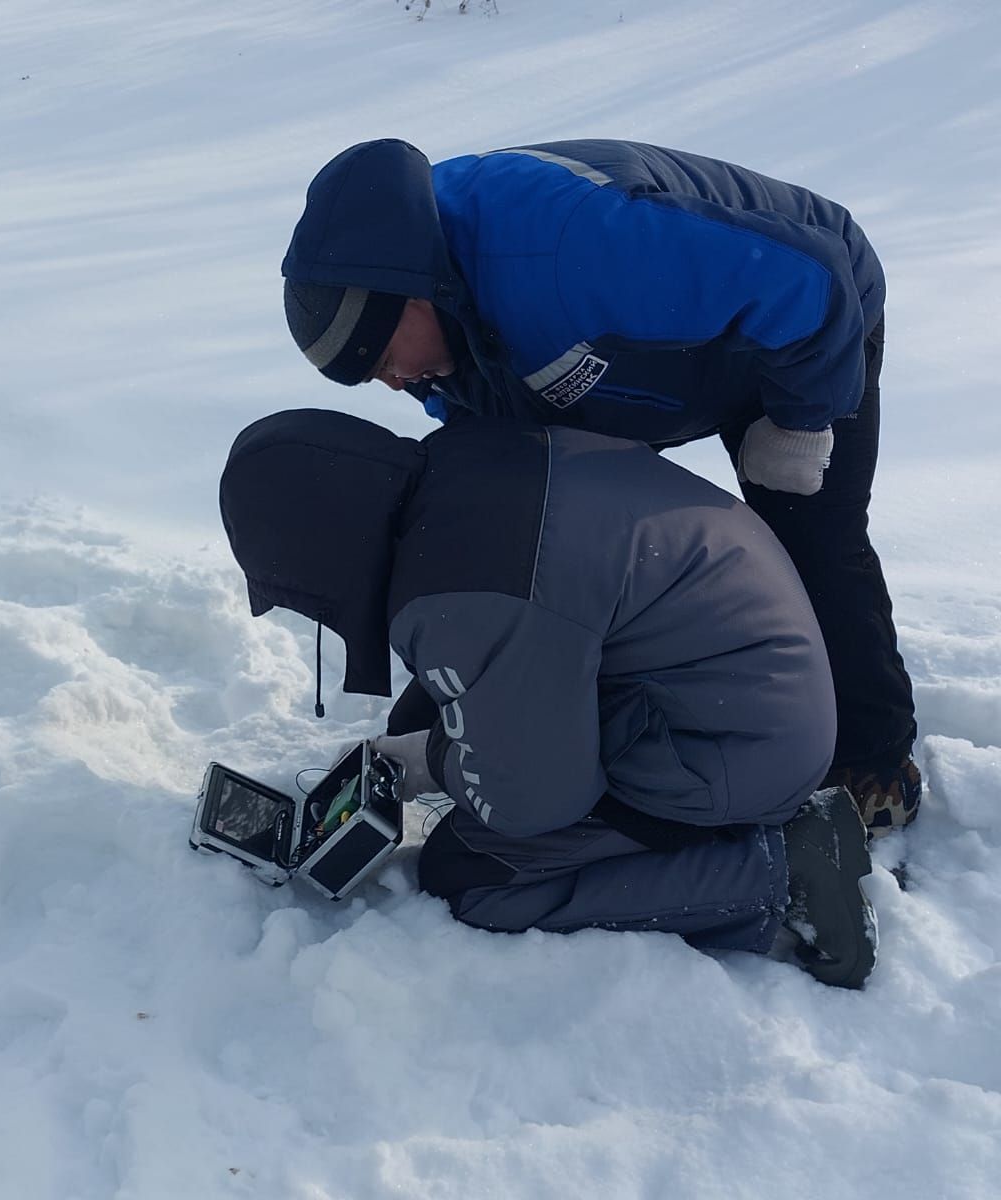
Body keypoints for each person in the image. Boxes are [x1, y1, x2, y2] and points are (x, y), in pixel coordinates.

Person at [280, 138, 919, 837]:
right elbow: (506, 515)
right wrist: (447, 698)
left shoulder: (565, 244)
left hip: (800, 332)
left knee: (813, 541)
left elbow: (808, 279)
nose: (396, 384)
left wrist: (801, 423)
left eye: (382, 362)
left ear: (409, 299)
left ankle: (873, 760)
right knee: (580, 555)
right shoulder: (441, 350)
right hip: (645, 368)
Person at [219, 407, 878, 987]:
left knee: (472, 875)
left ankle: (780, 873)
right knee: (443, 720)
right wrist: (436, 735)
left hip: (731, 745)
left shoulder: (464, 594)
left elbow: (533, 802)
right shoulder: (464, 464)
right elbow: (528, 632)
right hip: (753, 681)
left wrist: (432, 760)